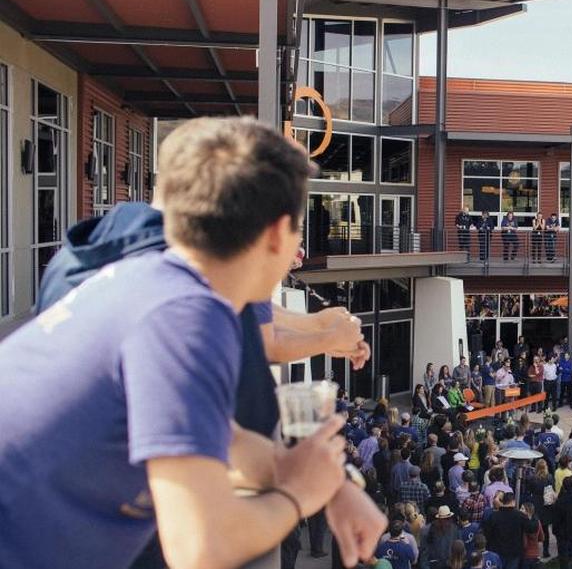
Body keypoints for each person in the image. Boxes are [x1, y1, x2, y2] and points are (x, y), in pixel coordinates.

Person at [0, 117, 355, 569]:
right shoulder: (187, 317)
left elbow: (228, 441)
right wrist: (298, 498)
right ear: (275, 234)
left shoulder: (156, 285)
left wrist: (335, 487)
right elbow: (202, 548)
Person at [482, 492, 539, 569]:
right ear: (513, 502)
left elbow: (486, 533)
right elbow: (532, 528)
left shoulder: (494, 516)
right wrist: (534, 516)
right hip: (514, 552)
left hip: (497, 551)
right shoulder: (520, 516)